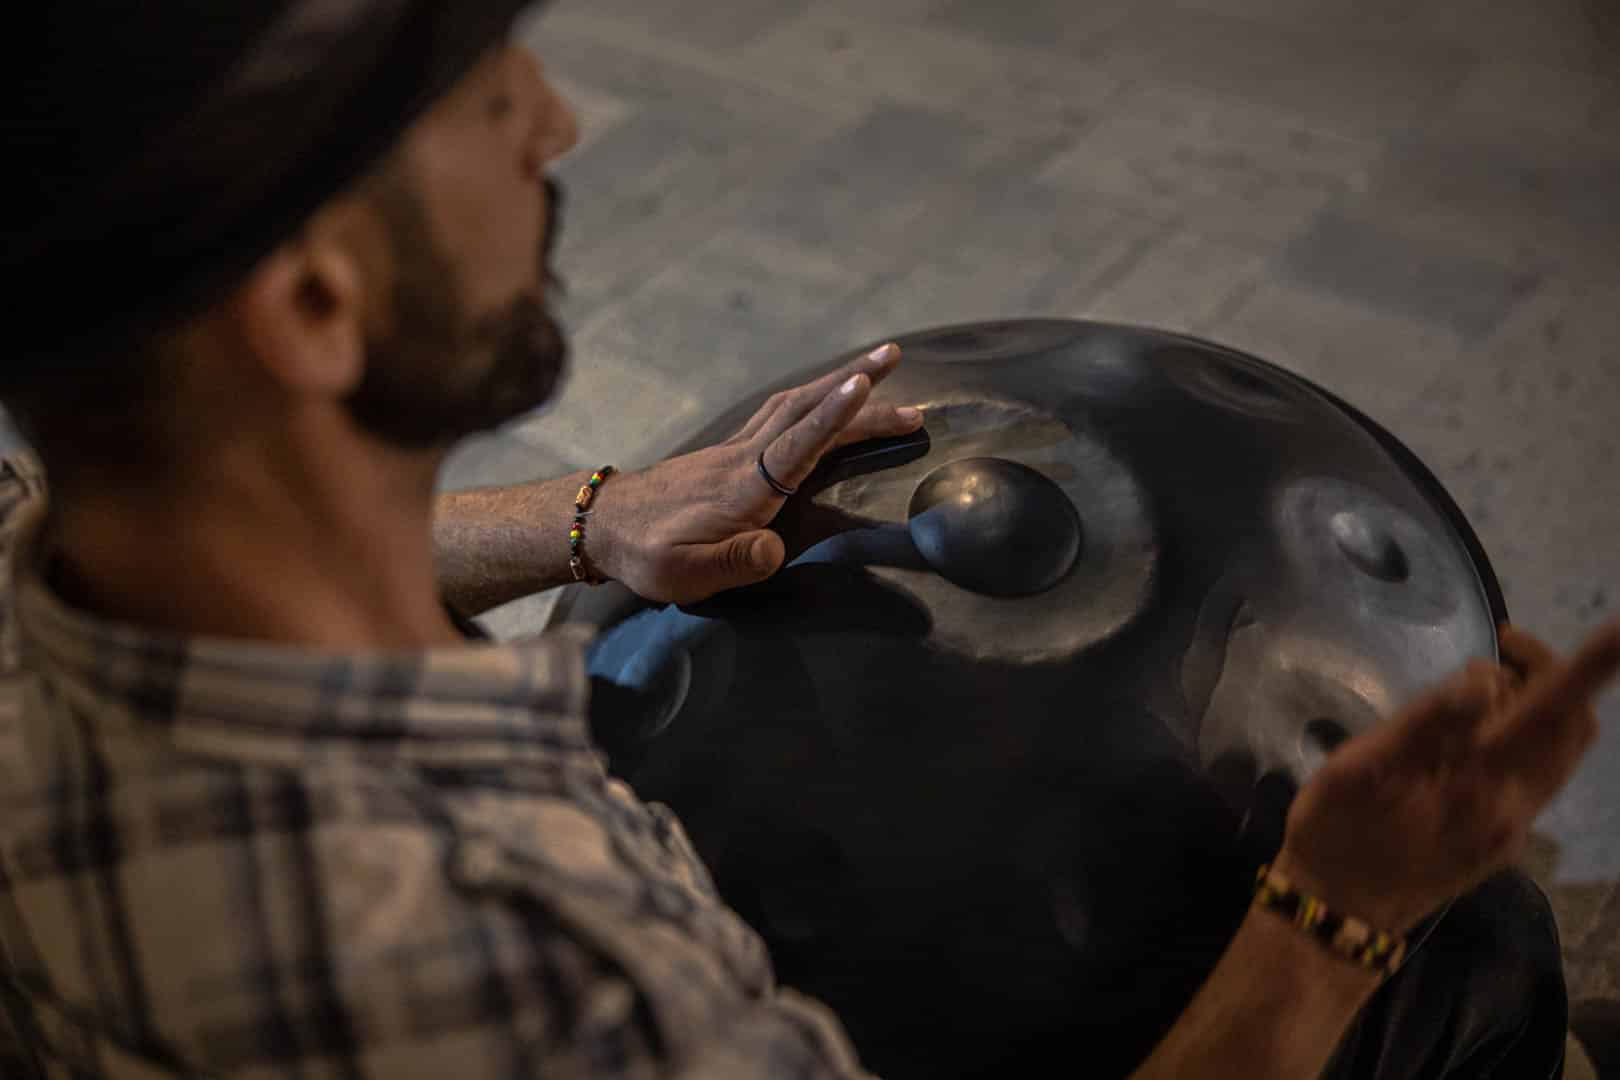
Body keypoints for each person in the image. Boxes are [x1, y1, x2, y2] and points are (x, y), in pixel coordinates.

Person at [0, 2, 1616, 1077]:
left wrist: (591, 521)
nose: (557, 126)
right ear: (312, 304)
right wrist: (1334, 917)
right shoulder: (533, 965)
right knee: (1463, 962)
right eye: (491, 99)